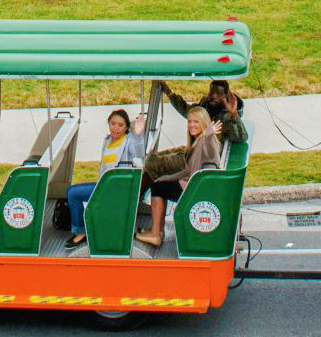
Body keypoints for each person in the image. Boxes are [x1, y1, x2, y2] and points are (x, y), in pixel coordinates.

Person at [140, 103, 226, 243]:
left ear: (204, 123)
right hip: (192, 185)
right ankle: (158, 231)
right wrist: (165, 178)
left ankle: (156, 233)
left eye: (196, 121)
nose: (192, 125)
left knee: (158, 188)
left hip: (194, 189)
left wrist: (208, 134)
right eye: (190, 121)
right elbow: (187, 170)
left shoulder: (207, 141)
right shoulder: (198, 142)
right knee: (159, 184)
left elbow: (211, 152)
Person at [65, 108, 148, 247]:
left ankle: (81, 232)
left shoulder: (129, 140)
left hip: (115, 188)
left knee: (74, 194)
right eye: (112, 123)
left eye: (120, 125)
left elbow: (139, 153)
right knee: (70, 190)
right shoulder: (108, 140)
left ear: (127, 127)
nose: (115, 128)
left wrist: (139, 135)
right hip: (104, 184)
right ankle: (79, 222)